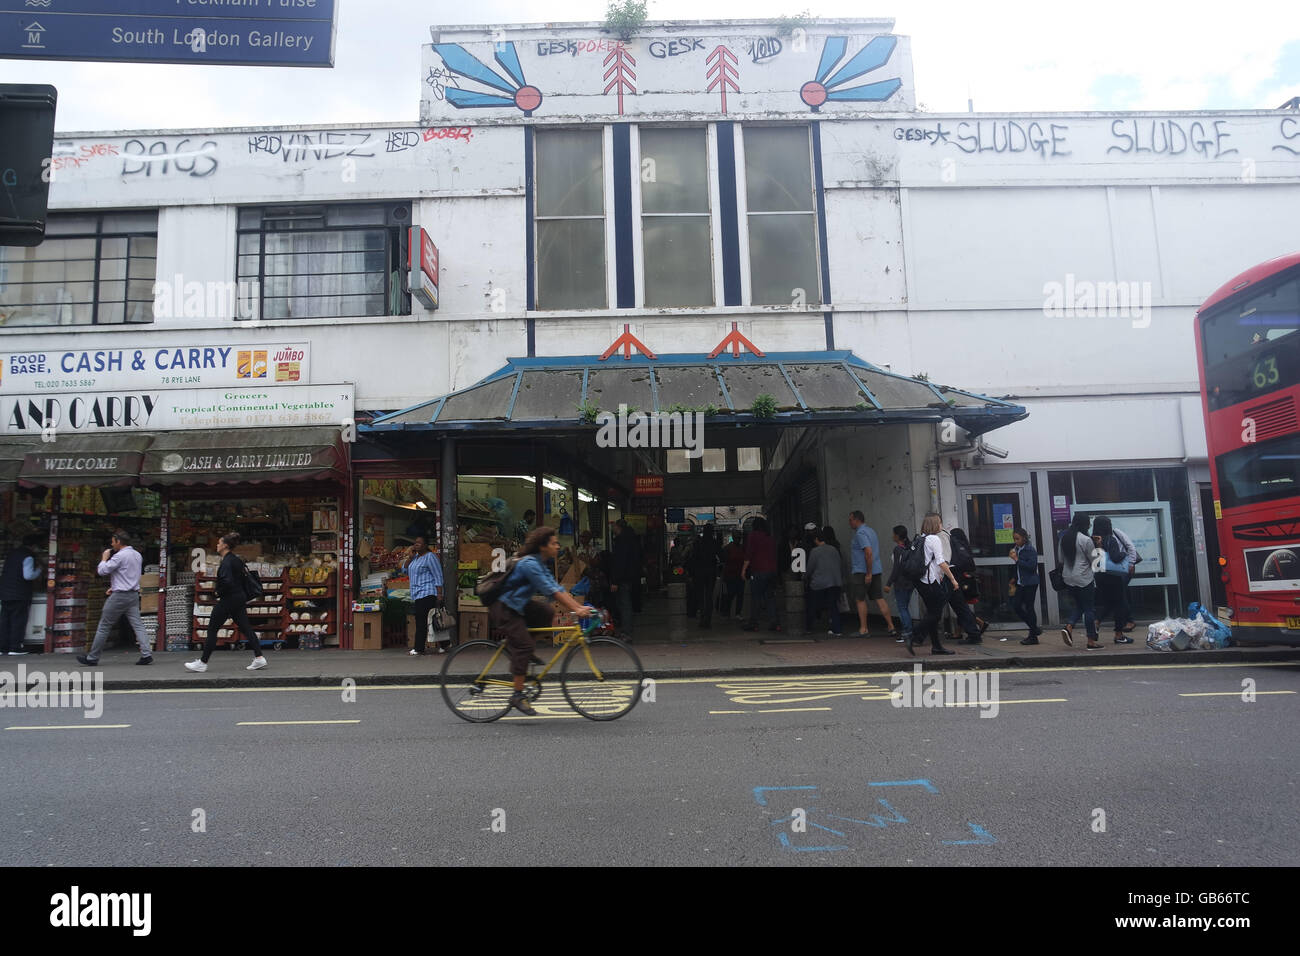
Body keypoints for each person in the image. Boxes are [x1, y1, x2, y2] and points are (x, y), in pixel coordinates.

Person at [490, 526, 593, 716]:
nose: (558, 546)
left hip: (518, 604)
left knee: (546, 611)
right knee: (523, 646)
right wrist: (577, 609)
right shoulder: (530, 564)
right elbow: (552, 591)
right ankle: (518, 695)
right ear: (543, 546)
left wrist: (578, 607)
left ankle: (525, 648)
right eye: (554, 543)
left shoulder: (540, 563)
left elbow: (557, 588)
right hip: (504, 608)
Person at [184, 532, 265, 672]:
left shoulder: (227, 562)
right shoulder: (235, 559)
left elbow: (227, 581)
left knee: (212, 629)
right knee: (246, 628)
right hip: (239, 597)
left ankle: (202, 663)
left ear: (225, 545)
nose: (217, 545)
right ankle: (259, 658)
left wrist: (217, 592)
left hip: (229, 599)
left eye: (219, 543)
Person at [77, 529, 154, 667]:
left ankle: (92, 657)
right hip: (133, 594)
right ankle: (147, 654)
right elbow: (129, 574)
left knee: (104, 626)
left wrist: (104, 558)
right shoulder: (137, 555)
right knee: (138, 625)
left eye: (113, 542)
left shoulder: (119, 556)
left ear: (119, 541)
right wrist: (116, 585)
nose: (112, 545)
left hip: (119, 596)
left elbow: (102, 571)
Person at [910, 513, 956, 655]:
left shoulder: (920, 539)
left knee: (933, 613)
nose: (941, 525)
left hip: (921, 582)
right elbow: (941, 562)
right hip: (930, 581)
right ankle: (912, 634)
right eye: (940, 523)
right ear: (935, 524)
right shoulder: (934, 539)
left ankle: (936, 646)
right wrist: (953, 579)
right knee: (936, 612)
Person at [848, 511, 896, 638]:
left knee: (860, 599)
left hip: (862, 572)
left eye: (851, 520)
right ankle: (891, 626)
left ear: (857, 520)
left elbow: (868, 552)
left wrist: (868, 573)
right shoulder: (871, 531)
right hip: (876, 569)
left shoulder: (860, 533)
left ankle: (863, 629)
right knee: (879, 597)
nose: (849, 523)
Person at [1058, 512, 1101, 649]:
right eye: (1088, 523)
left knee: (1079, 606)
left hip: (1068, 578)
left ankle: (1069, 626)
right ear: (1084, 524)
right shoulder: (1085, 540)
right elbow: (1095, 563)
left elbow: (1060, 560)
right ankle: (1090, 641)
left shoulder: (1064, 538)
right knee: (1089, 609)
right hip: (1084, 578)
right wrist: (1098, 546)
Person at [1091, 516, 1134, 645]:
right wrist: (1124, 554)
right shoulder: (1111, 539)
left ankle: (1097, 621)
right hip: (1113, 576)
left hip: (1099, 575)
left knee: (1109, 602)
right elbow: (1115, 558)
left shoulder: (1092, 540)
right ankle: (1118, 634)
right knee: (1119, 604)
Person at [1, 531, 43, 656]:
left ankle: (3, 647)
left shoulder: (12, 554)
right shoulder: (27, 556)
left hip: (5, 593)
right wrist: (39, 570)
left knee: (5, 621)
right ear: (34, 545)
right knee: (18, 620)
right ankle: (15, 646)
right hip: (19, 594)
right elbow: (28, 575)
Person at [403, 535, 446, 655]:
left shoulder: (430, 557)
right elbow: (404, 570)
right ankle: (445, 644)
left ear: (426, 545)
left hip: (428, 592)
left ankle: (419, 648)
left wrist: (439, 594)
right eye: (415, 543)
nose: (416, 545)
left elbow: (438, 575)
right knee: (432, 620)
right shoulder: (415, 558)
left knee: (421, 620)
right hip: (417, 593)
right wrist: (410, 558)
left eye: (419, 543)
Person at [947, 527, 988, 644]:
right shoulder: (965, 546)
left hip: (959, 581)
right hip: (965, 582)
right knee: (962, 607)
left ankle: (975, 625)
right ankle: (961, 631)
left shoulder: (956, 547)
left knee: (961, 607)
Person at [741, 517, 780, 631]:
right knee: (770, 598)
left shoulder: (753, 536)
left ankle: (754, 624)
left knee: (756, 597)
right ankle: (775, 623)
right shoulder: (770, 537)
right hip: (772, 571)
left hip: (758, 571)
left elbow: (749, 554)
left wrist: (743, 570)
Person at [807, 526, 845, 636]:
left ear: (816, 539)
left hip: (820, 583)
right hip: (835, 582)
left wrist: (805, 577)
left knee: (812, 605)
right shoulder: (834, 549)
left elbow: (810, 567)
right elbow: (840, 565)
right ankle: (837, 629)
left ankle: (809, 627)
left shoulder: (815, 551)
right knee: (833, 606)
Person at [883, 525, 916, 646]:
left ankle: (907, 633)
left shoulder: (898, 549)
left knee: (902, 608)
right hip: (910, 582)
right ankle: (908, 631)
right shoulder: (910, 546)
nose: (892, 536)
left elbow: (896, 569)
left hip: (901, 583)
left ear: (897, 536)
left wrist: (888, 583)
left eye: (893, 534)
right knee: (905, 607)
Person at [609, 519, 642, 640]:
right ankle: (626, 630)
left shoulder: (622, 541)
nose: (612, 529)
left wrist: (615, 580)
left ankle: (626, 632)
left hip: (623, 578)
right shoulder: (632, 539)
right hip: (631, 577)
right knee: (626, 604)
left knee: (624, 604)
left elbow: (620, 562)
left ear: (618, 527)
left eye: (614, 526)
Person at [1008, 527, 1042, 644]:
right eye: (1014, 539)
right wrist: (1014, 578)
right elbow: (1018, 568)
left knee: (1029, 607)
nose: (1015, 541)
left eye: (1017, 539)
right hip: (1020, 582)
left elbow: (1031, 567)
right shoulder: (1018, 549)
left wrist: (1017, 559)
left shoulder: (1029, 550)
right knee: (1016, 606)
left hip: (1030, 583)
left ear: (1024, 538)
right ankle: (1034, 629)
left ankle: (1033, 636)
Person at [691, 524, 720, 628]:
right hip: (711, 572)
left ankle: (702, 617)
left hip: (699, 572)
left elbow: (693, 557)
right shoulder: (714, 542)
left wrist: (692, 572)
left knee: (701, 595)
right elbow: (720, 555)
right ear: (712, 531)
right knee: (709, 595)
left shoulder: (698, 542)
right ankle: (708, 619)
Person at [719, 533, 745, 619]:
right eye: (737, 537)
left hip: (739, 574)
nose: (738, 539)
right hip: (730, 574)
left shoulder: (742, 548)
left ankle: (737, 613)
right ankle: (727, 611)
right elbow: (724, 559)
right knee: (731, 594)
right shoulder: (728, 548)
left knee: (740, 594)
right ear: (733, 538)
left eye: (739, 538)